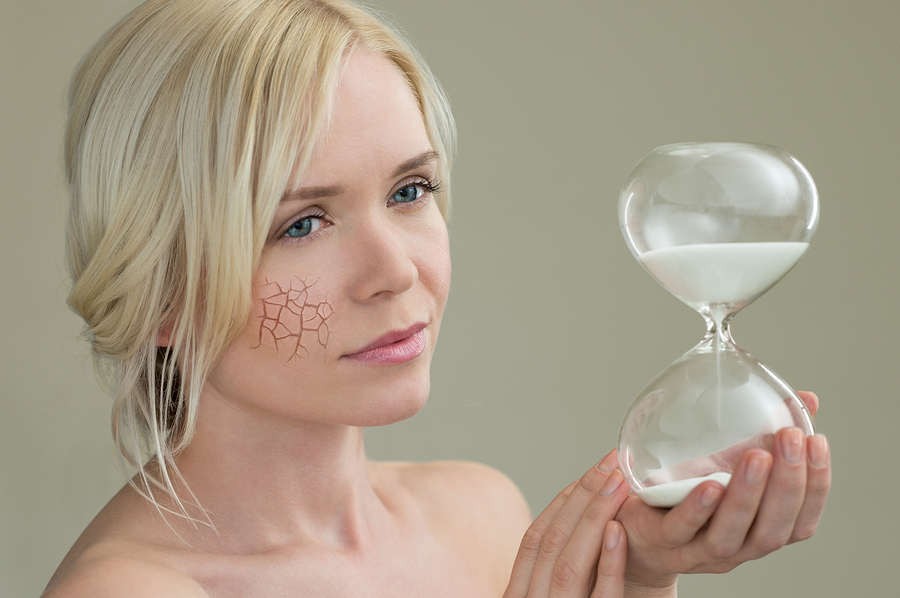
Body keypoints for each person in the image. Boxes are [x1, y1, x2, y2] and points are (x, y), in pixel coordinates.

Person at [42, 1, 831, 596]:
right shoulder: (134, 589)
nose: (394, 270)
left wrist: (640, 575)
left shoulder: (482, 513)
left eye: (410, 189)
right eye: (303, 223)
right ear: (164, 294)